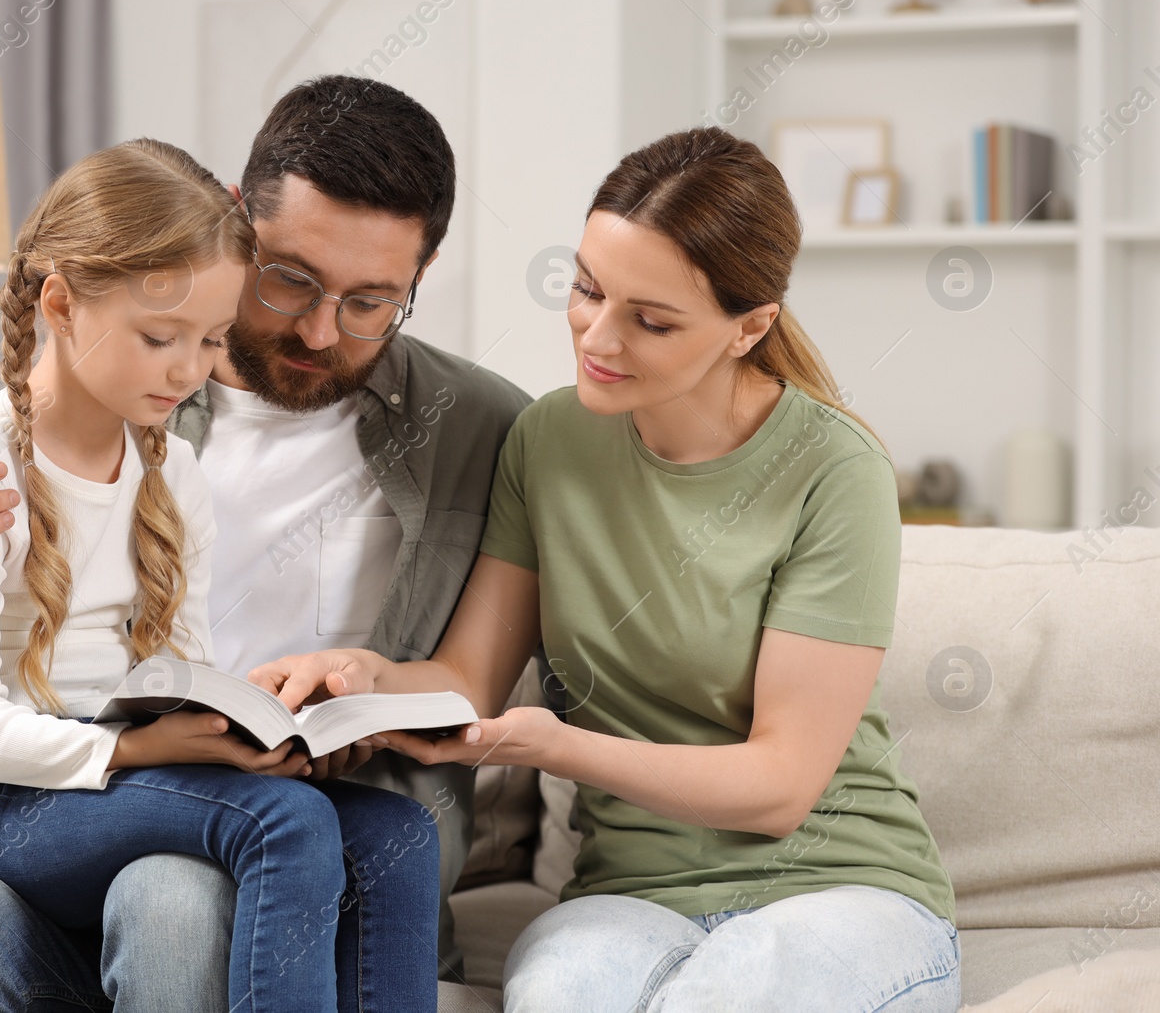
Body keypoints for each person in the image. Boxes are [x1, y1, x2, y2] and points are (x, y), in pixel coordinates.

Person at [0, 76, 533, 1011]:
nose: (320, 328)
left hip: (231, 794)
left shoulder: (478, 429)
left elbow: (468, 685)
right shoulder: (105, 390)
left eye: (370, 302)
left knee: (223, 881)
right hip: (80, 784)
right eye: (292, 281)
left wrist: (332, 698)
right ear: (238, 225)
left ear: (416, 283)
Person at [252, 127, 963, 1012]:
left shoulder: (834, 469)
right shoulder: (549, 441)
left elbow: (780, 786)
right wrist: (365, 675)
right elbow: (466, 680)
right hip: (627, 896)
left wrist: (558, 743)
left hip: (835, 886)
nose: (599, 333)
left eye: (651, 319)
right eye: (587, 288)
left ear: (751, 328)